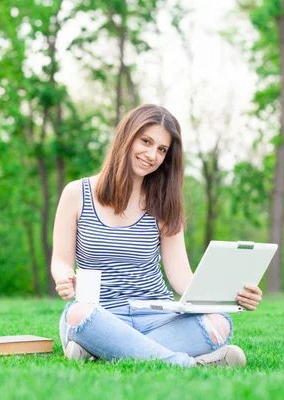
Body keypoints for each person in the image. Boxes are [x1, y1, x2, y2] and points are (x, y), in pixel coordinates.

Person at [51, 104, 263, 367]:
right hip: (100, 314)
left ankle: (103, 352)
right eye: (146, 141)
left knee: (217, 322)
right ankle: (187, 364)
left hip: (157, 315)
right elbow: (60, 260)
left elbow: (181, 276)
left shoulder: (164, 203)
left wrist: (231, 296)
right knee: (77, 314)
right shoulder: (76, 194)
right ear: (126, 138)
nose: (152, 155)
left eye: (162, 150)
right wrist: (63, 277)